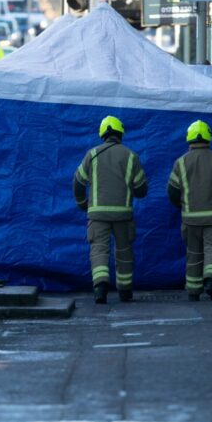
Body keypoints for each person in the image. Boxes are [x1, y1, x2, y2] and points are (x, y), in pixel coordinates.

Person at [73, 115, 148, 304]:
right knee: (124, 252)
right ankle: (125, 292)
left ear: (102, 134)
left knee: (99, 250)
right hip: (123, 215)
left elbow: (78, 182)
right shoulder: (131, 156)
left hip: (97, 215)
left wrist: (83, 203)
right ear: (120, 134)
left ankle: (100, 288)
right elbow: (141, 190)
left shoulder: (92, 155)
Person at [167, 120, 212, 302]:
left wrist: (182, 206)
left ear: (189, 138)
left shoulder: (180, 163)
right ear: (208, 137)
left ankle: (193, 291)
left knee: (193, 253)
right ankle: (211, 281)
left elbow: (172, 192)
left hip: (190, 219)